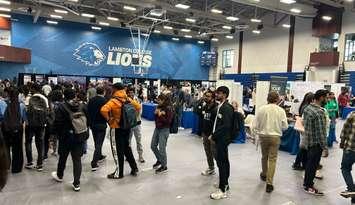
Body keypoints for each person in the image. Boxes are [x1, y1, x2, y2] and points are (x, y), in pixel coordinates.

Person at [51, 88, 88, 192]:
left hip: (65, 137)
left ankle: (60, 175)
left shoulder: (61, 107)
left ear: (64, 96)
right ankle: (77, 183)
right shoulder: (82, 106)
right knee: (77, 160)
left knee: (63, 157)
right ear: (74, 95)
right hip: (79, 137)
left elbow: (57, 123)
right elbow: (87, 120)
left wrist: (54, 134)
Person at [101, 83, 140, 179]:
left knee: (117, 151)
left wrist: (109, 119)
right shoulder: (127, 99)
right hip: (127, 127)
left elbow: (103, 110)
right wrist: (132, 118)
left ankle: (119, 173)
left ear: (115, 89)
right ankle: (134, 167)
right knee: (127, 148)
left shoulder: (114, 101)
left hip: (116, 128)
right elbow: (138, 107)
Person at [253, 91, 288, 193]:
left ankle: (264, 174)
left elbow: (255, 125)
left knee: (264, 156)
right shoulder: (281, 111)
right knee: (272, 159)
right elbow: (285, 126)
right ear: (277, 99)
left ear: (267, 99)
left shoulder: (261, 109)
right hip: (275, 136)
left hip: (263, 136)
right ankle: (269, 183)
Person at [303, 89, 329, 196]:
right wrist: (325, 147)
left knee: (309, 164)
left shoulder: (307, 108)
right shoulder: (319, 113)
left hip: (308, 141)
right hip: (316, 144)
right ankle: (309, 186)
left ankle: (306, 183)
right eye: (326, 97)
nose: (327, 99)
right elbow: (320, 132)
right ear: (321, 98)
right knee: (313, 166)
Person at [210, 86, 234, 200]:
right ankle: (225, 184)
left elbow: (226, 125)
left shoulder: (227, 108)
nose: (216, 95)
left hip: (222, 139)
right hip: (219, 139)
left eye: (218, 93)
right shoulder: (220, 106)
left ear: (224, 94)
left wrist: (214, 135)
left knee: (223, 163)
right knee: (223, 162)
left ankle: (222, 189)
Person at [2, 87, 27, 174]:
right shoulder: (21, 105)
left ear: (9, 95)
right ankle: (16, 168)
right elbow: (24, 119)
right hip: (17, 129)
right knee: (17, 149)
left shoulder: (4, 103)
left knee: (6, 148)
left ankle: (6, 166)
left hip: (6, 129)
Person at [25, 83, 49, 171]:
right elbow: (47, 112)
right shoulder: (45, 99)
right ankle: (39, 164)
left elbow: (26, 111)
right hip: (41, 125)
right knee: (40, 143)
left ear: (33, 89)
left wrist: (26, 122)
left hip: (30, 124)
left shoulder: (28, 98)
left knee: (28, 142)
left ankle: (30, 162)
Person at [151, 94, 173, 174]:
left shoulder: (168, 108)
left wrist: (160, 116)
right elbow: (155, 118)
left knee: (162, 148)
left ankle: (164, 165)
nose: (157, 101)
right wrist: (155, 114)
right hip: (157, 129)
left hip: (164, 130)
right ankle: (160, 159)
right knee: (153, 145)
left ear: (163, 100)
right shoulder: (158, 107)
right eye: (157, 100)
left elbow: (168, 122)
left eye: (159, 100)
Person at [292, 92, 314, 171]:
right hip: (304, 128)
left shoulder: (303, 105)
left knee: (303, 147)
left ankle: (299, 163)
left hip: (302, 128)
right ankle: (299, 163)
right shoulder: (307, 107)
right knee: (303, 148)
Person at [88, 86, 108, 171]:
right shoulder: (105, 101)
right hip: (101, 125)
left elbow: (88, 111)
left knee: (97, 142)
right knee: (99, 144)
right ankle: (94, 163)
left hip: (93, 125)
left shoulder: (91, 100)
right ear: (103, 92)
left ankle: (99, 156)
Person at [200, 90, 218, 176]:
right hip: (205, 133)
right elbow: (197, 112)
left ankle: (222, 170)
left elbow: (218, 124)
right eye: (205, 96)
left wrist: (213, 135)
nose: (205, 97)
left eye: (208, 96)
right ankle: (211, 168)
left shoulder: (216, 109)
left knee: (215, 153)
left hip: (213, 135)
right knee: (208, 152)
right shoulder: (205, 106)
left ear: (213, 98)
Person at [339, 112, 355, 204]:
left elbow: (345, 130)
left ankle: (351, 189)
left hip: (351, 149)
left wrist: (342, 142)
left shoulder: (352, 115)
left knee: (345, 168)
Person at [127, 87, 145, 163]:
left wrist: (134, 115)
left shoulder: (138, 100)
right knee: (128, 141)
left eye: (132, 92)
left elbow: (140, 112)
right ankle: (128, 156)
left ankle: (140, 156)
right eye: (129, 92)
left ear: (134, 93)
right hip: (129, 124)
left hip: (137, 123)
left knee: (139, 140)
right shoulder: (126, 100)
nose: (131, 94)